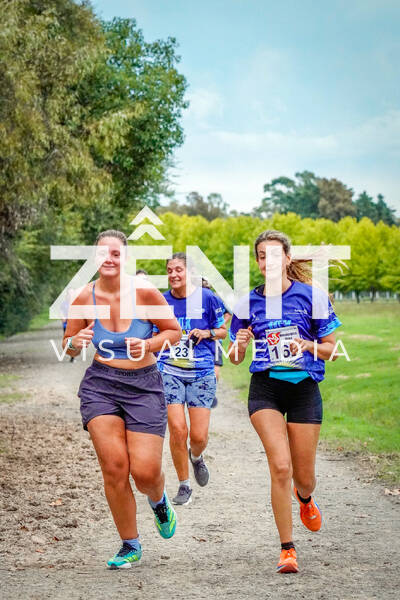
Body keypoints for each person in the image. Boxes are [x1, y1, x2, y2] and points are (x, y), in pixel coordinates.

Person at [63, 230, 182, 569]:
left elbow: (174, 332)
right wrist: (76, 342)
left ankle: (158, 500)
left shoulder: (145, 292)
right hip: (100, 385)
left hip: (144, 385)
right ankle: (130, 544)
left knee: (144, 473)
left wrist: (149, 345)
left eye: (115, 253)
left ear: (125, 257)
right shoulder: (83, 297)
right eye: (103, 254)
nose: (109, 259)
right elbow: (69, 345)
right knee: (114, 468)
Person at [228, 230, 341, 574]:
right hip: (266, 389)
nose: (268, 261)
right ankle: (287, 549)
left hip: (304, 388)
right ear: (257, 261)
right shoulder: (248, 302)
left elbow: (332, 350)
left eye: (275, 255)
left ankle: (304, 498)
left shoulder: (311, 297)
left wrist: (306, 346)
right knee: (280, 466)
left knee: (304, 478)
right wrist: (240, 344)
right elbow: (234, 357)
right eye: (262, 255)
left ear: (288, 259)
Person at [156, 254, 227, 505]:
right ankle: (184, 485)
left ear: (190, 272)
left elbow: (223, 331)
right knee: (178, 429)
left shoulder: (207, 298)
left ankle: (196, 457)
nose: (173, 274)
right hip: (169, 370)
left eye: (179, 269)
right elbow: (153, 333)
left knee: (198, 437)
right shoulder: (161, 302)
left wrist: (206, 333)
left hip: (201, 372)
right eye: (169, 270)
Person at [201, 279, 232, 408]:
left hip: (214, 339)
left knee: (215, 368)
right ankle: (206, 392)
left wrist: (220, 325)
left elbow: (229, 312)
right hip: (202, 340)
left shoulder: (214, 299)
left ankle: (210, 392)